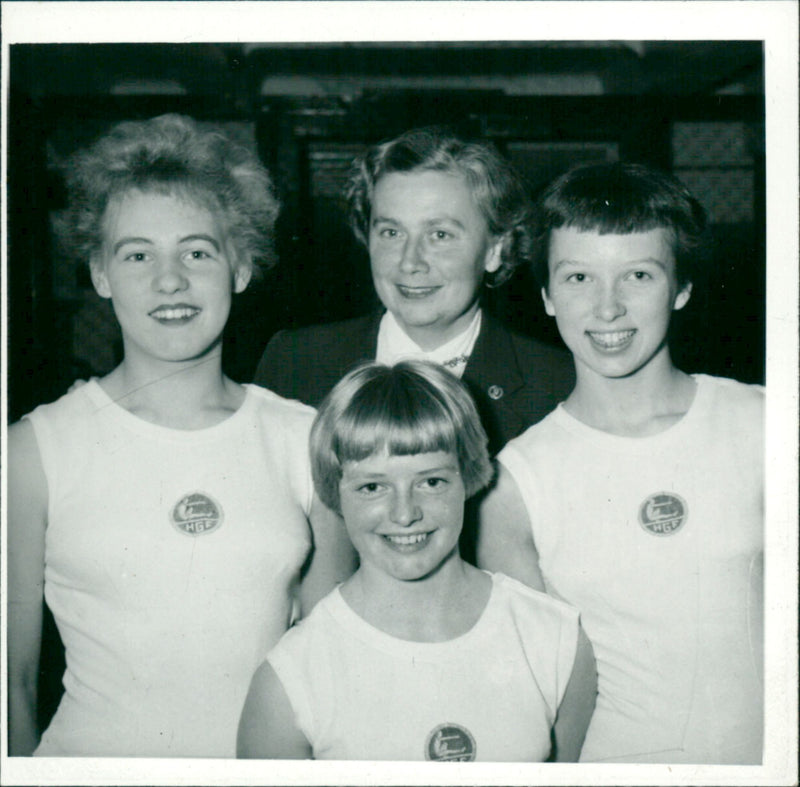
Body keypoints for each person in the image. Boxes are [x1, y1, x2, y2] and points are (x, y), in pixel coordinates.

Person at [7, 114, 356, 758]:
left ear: (241, 268)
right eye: (137, 254)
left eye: (197, 251)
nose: (170, 281)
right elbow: (11, 690)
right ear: (100, 274)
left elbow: (331, 675)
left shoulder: (304, 438)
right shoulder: (33, 451)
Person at [477, 162, 764, 764]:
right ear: (548, 297)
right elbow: (535, 700)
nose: (607, 308)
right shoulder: (515, 486)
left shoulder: (763, 424)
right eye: (579, 277)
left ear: (682, 287)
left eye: (638, 274)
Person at [237, 360, 596, 762]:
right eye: (372, 487)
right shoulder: (292, 677)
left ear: (470, 476)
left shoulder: (554, 638)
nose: (404, 513)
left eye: (431, 482)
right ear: (335, 493)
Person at [254, 127, 574, 458]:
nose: (410, 262)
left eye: (440, 235)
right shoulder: (294, 362)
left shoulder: (558, 384)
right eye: (392, 232)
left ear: (495, 249)